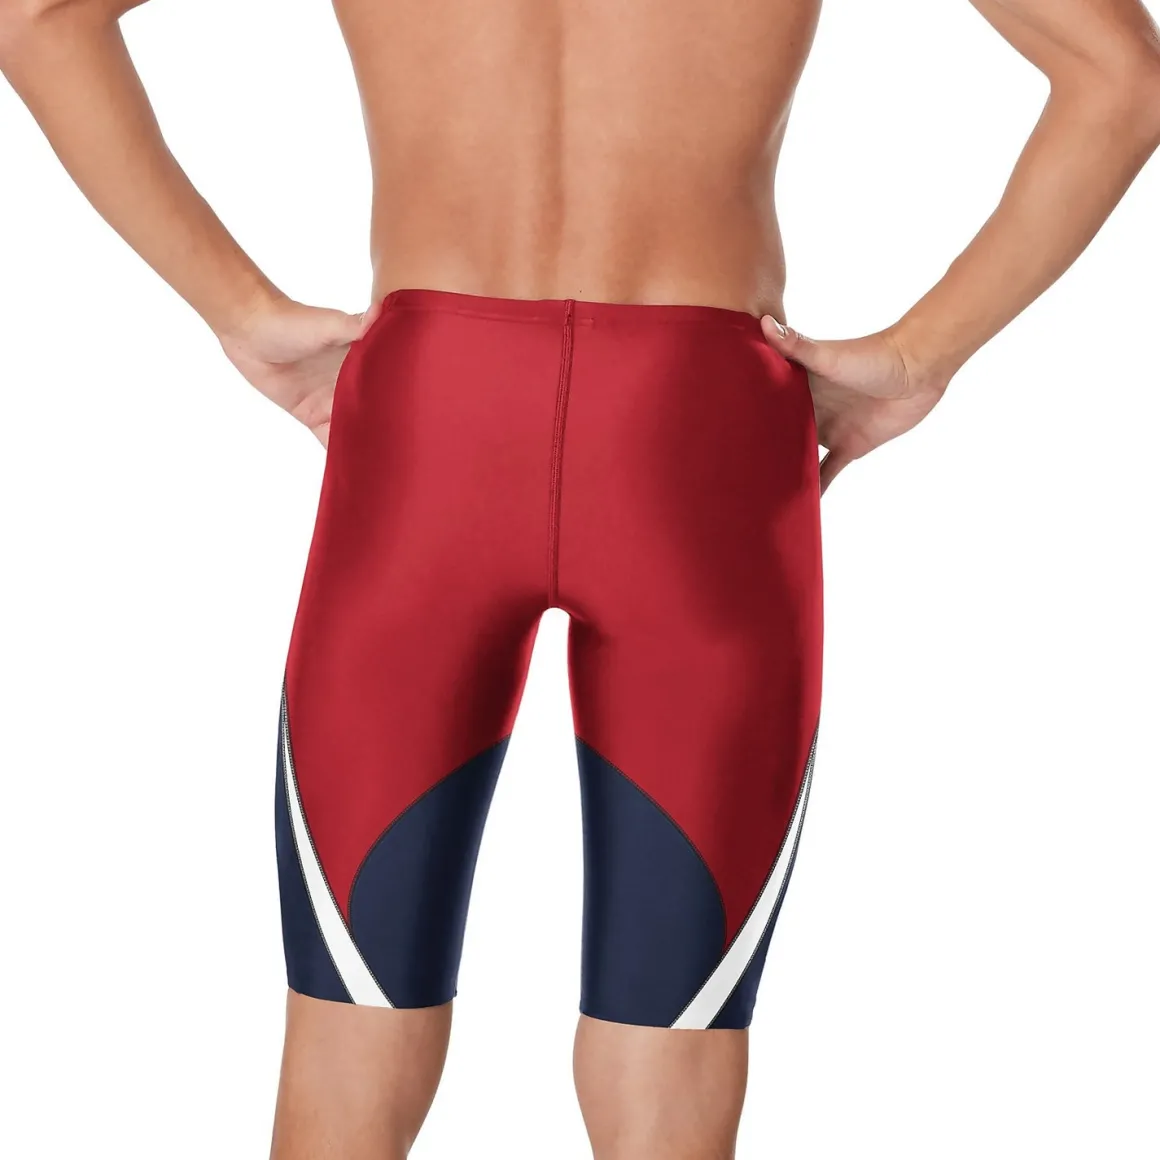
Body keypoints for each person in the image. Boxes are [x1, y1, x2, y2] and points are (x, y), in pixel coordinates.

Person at [2, 1, 1158, 1157]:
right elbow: (1120, 77)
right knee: (672, 1028)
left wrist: (241, 311)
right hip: (696, 425)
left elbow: (38, 17)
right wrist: (915, 355)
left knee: (350, 1013)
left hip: (433, 414)